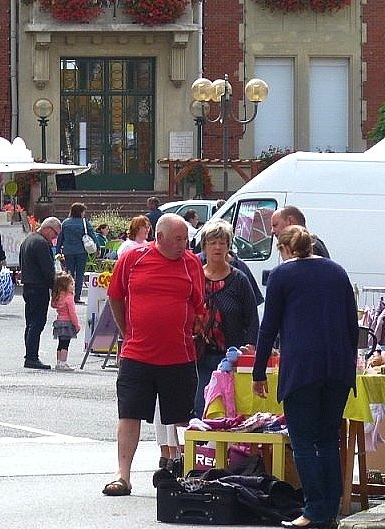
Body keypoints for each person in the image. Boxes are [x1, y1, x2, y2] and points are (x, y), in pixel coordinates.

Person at [251, 225, 357, 528]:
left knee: (302, 442)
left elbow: (268, 327)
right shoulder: (337, 272)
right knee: (327, 440)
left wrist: (259, 371)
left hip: (302, 367)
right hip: (337, 368)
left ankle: (313, 511)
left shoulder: (283, 275)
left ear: (283, 249)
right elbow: (352, 324)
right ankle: (329, 511)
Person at [102, 213, 205, 497]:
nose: (183, 244)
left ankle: (188, 472)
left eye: (185, 238)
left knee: (183, 417)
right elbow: (115, 295)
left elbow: (199, 303)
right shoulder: (133, 258)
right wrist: (127, 332)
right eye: (177, 239)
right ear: (158, 238)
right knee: (129, 413)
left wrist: (194, 323)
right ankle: (123, 475)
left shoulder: (192, 263)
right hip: (138, 354)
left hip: (179, 355)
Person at [193, 219, 259, 417]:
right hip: (200, 357)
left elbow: (252, 319)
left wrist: (250, 347)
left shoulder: (239, 279)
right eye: (212, 242)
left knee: (231, 410)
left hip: (232, 358)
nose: (217, 247)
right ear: (204, 246)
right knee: (200, 408)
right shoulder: (195, 277)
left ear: (229, 246)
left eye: (222, 242)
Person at [20, 216, 62, 370]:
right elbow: (47, 270)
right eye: (55, 234)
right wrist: (55, 288)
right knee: (37, 323)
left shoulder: (28, 240)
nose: (55, 238)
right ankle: (32, 357)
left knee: (30, 322)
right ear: (47, 228)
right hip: (38, 286)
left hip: (28, 285)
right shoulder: (41, 243)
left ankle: (29, 354)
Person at [57, 202, 97, 303]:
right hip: (81, 251)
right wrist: (97, 247)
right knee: (80, 274)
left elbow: (60, 238)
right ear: (80, 212)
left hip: (68, 251)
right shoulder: (84, 222)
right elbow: (92, 235)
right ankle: (77, 296)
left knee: (69, 273)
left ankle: (67, 294)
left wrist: (58, 250)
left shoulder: (65, 223)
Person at [50, 271, 80, 371]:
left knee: (60, 344)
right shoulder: (69, 297)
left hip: (59, 322)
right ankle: (63, 363)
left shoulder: (59, 297)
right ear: (65, 286)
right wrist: (77, 325)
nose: (73, 286)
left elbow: (53, 305)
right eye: (71, 284)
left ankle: (58, 362)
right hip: (67, 323)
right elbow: (72, 313)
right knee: (65, 345)